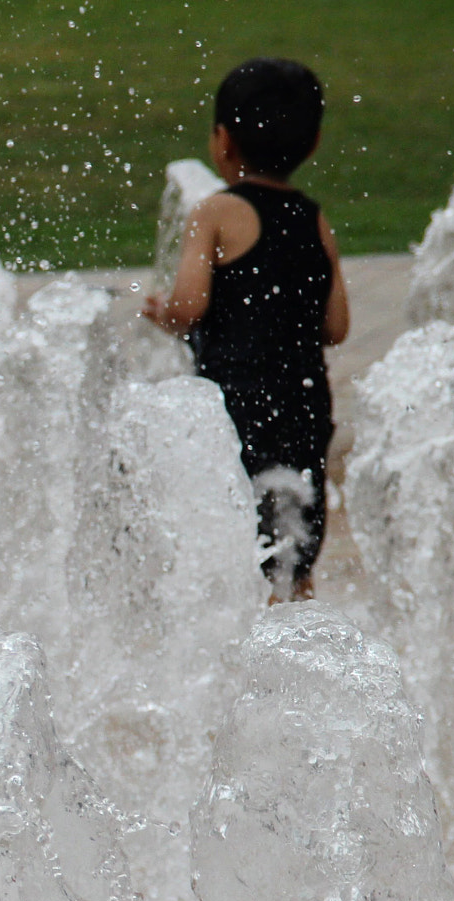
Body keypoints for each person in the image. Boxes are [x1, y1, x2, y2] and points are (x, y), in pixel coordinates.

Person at [141, 58, 350, 602]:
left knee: (241, 545)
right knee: (295, 546)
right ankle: (302, 638)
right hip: (305, 405)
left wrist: (161, 313)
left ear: (223, 141)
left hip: (239, 403)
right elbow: (338, 325)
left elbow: (189, 307)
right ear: (315, 141)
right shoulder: (313, 217)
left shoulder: (215, 213)